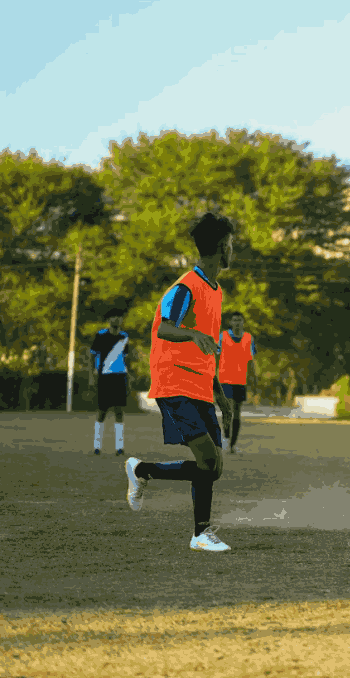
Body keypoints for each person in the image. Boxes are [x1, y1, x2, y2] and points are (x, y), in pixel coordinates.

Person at [123, 213, 236, 552]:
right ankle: (201, 534)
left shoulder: (215, 291)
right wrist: (194, 334)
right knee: (206, 460)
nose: (233, 251)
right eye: (230, 245)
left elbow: (207, 350)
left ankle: (142, 469)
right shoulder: (186, 286)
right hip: (173, 381)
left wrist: (220, 396)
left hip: (200, 384)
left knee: (213, 467)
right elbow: (163, 328)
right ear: (220, 247)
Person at [89, 310, 132, 456]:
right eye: (114, 316)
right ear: (109, 319)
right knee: (102, 411)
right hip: (105, 376)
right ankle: (97, 446)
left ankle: (119, 447)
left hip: (120, 377)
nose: (117, 319)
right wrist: (92, 374)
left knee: (119, 411)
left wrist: (129, 376)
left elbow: (125, 357)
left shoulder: (124, 336)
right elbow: (92, 354)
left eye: (119, 316)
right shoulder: (101, 335)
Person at [217, 311, 257, 455]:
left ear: (243, 322)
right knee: (229, 409)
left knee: (237, 413)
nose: (237, 323)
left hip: (241, 380)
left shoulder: (248, 338)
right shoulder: (223, 337)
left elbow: (251, 360)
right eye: (234, 320)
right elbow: (216, 356)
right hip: (225, 379)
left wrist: (254, 378)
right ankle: (226, 440)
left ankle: (233, 445)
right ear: (231, 322)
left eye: (239, 320)